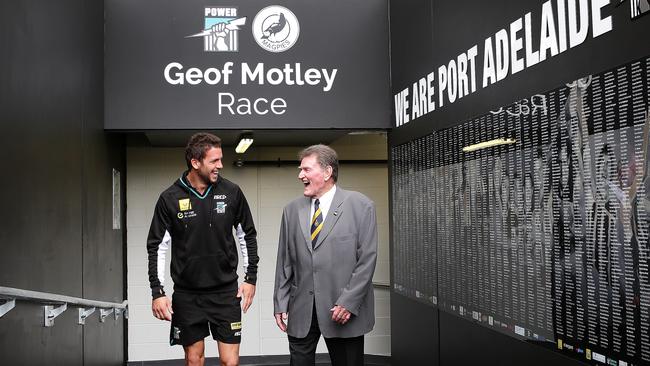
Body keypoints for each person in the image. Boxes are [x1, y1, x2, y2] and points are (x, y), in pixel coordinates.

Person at [146, 132, 258, 366]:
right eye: (214, 161)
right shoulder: (169, 198)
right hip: (188, 295)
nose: (221, 165)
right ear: (195, 163)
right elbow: (157, 246)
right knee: (193, 360)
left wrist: (250, 278)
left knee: (231, 362)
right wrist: (158, 291)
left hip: (225, 293)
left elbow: (246, 235)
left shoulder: (232, 192)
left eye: (221, 159)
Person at [273, 144, 378, 366]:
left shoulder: (361, 206)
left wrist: (348, 303)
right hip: (302, 309)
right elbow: (285, 261)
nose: (300, 175)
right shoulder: (291, 210)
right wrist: (280, 302)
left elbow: (367, 260)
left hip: (342, 311)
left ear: (328, 172)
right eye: (301, 169)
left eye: (306, 169)